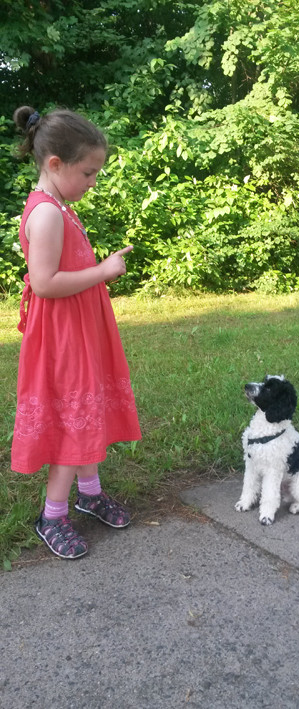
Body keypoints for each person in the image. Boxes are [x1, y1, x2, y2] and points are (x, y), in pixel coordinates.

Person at [11, 106, 141, 559]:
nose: (92, 182)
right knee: (70, 421)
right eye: (88, 172)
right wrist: (102, 271)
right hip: (63, 339)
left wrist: (98, 269)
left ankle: (89, 492)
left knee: (86, 412)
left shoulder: (61, 206)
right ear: (55, 164)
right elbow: (44, 283)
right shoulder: (46, 214)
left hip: (80, 331)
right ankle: (51, 515)